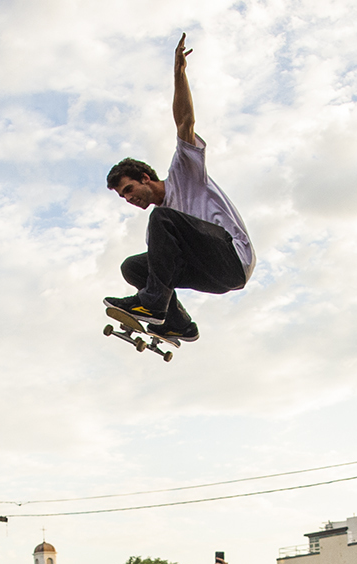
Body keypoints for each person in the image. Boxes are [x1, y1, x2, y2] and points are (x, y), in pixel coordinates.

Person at [104, 34, 253, 343]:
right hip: (209, 272)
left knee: (162, 219)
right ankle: (178, 324)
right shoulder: (163, 231)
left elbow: (185, 122)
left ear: (145, 177)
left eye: (129, 189)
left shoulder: (184, 173)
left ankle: (153, 305)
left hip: (231, 259)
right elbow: (163, 269)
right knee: (134, 266)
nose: (129, 199)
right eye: (123, 197)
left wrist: (179, 74)